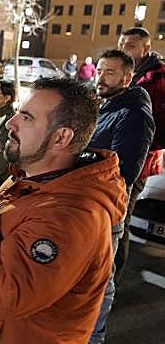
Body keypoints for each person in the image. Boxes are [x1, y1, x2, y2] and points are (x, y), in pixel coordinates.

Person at [0, 77, 127, 343]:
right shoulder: (26, 182)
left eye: (26, 117)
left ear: (61, 137)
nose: (10, 123)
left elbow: (5, 296)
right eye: (17, 111)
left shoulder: (71, 217)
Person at [87, 49, 155, 344]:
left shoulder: (134, 115)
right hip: (87, 205)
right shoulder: (105, 106)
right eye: (99, 71)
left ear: (127, 78)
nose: (100, 78)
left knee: (100, 280)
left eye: (109, 73)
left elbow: (123, 172)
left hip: (105, 209)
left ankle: (94, 337)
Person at [117, 26, 165, 285]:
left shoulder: (158, 79)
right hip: (111, 158)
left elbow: (161, 129)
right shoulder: (124, 73)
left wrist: (137, 145)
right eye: (122, 43)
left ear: (146, 48)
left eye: (131, 45)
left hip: (137, 163)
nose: (124, 49)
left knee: (119, 220)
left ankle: (111, 281)